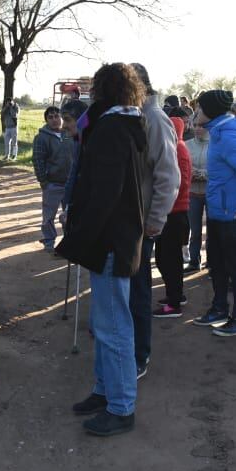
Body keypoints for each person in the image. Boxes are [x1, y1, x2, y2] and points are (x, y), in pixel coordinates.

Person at [57, 63, 149, 437]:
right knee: (104, 323)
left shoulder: (114, 128)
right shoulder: (121, 122)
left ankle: (122, 406)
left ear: (105, 90)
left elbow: (105, 193)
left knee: (114, 327)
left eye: (96, 87)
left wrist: (78, 234)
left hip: (110, 240)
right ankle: (104, 390)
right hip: (115, 238)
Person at [191, 89, 236, 337]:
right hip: (219, 214)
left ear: (209, 111)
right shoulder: (220, 133)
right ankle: (219, 308)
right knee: (218, 266)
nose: (196, 113)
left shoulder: (228, 138)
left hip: (234, 218)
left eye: (199, 108)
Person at [127, 64, 180, 379]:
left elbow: (168, 176)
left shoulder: (155, 120)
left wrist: (156, 220)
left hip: (144, 224)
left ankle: (139, 355)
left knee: (138, 290)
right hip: (131, 221)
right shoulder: (135, 116)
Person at [153, 113, 192, 318]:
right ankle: (175, 295)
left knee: (170, 260)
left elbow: (179, 182)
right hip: (173, 212)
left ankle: (174, 303)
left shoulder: (177, 149)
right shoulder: (177, 147)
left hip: (175, 213)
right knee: (165, 258)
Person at [33, 106, 73, 254]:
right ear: (46, 120)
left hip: (70, 184)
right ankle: (49, 241)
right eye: (51, 117)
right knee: (48, 216)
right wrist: (43, 181)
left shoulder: (69, 134)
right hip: (52, 184)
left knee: (69, 215)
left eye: (57, 116)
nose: (55, 120)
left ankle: (67, 242)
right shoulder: (41, 138)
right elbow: (38, 160)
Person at [185, 111, 210, 273]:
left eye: (201, 125)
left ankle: (212, 260)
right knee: (194, 230)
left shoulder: (216, 144)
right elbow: (182, 166)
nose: (197, 129)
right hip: (193, 193)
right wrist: (192, 172)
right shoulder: (187, 145)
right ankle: (194, 261)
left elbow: (219, 166)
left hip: (211, 193)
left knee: (213, 230)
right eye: (195, 125)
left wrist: (205, 174)